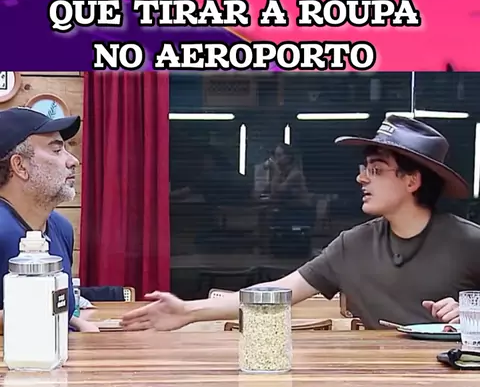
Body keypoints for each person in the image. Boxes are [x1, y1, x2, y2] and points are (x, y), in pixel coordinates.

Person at [121, 116, 478, 331]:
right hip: (373, 386)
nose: (362, 179)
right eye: (364, 169)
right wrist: (188, 310)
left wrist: (473, 313)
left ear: (412, 180)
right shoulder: (353, 245)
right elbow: (279, 292)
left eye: (376, 170)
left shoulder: (467, 241)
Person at [0, 106, 99, 332]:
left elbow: (57, 306)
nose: (73, 161)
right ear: (20, 166)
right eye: (56, 150)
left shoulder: (61, 228)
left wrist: (78, 323)